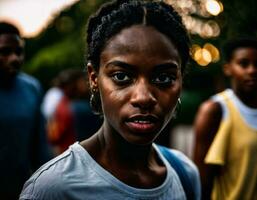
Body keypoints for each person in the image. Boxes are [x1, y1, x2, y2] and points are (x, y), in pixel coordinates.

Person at [20, 1, 201, 199]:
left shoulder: (185, 174)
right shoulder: (53, 188)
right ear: (93, 78)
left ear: (181, 79)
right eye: (121, 76)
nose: (143, 98)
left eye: (163, 78)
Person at [193, 38, 257, 200]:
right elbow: (202, 180)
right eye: (244, 64)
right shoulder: (215, 110)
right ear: (228, 69)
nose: (252, 70)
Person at [0, 22, 52, 199]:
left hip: (22, 189)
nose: (15, 58)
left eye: (19, 52)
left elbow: (40, 146)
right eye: (5, 52)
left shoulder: (32, 88)